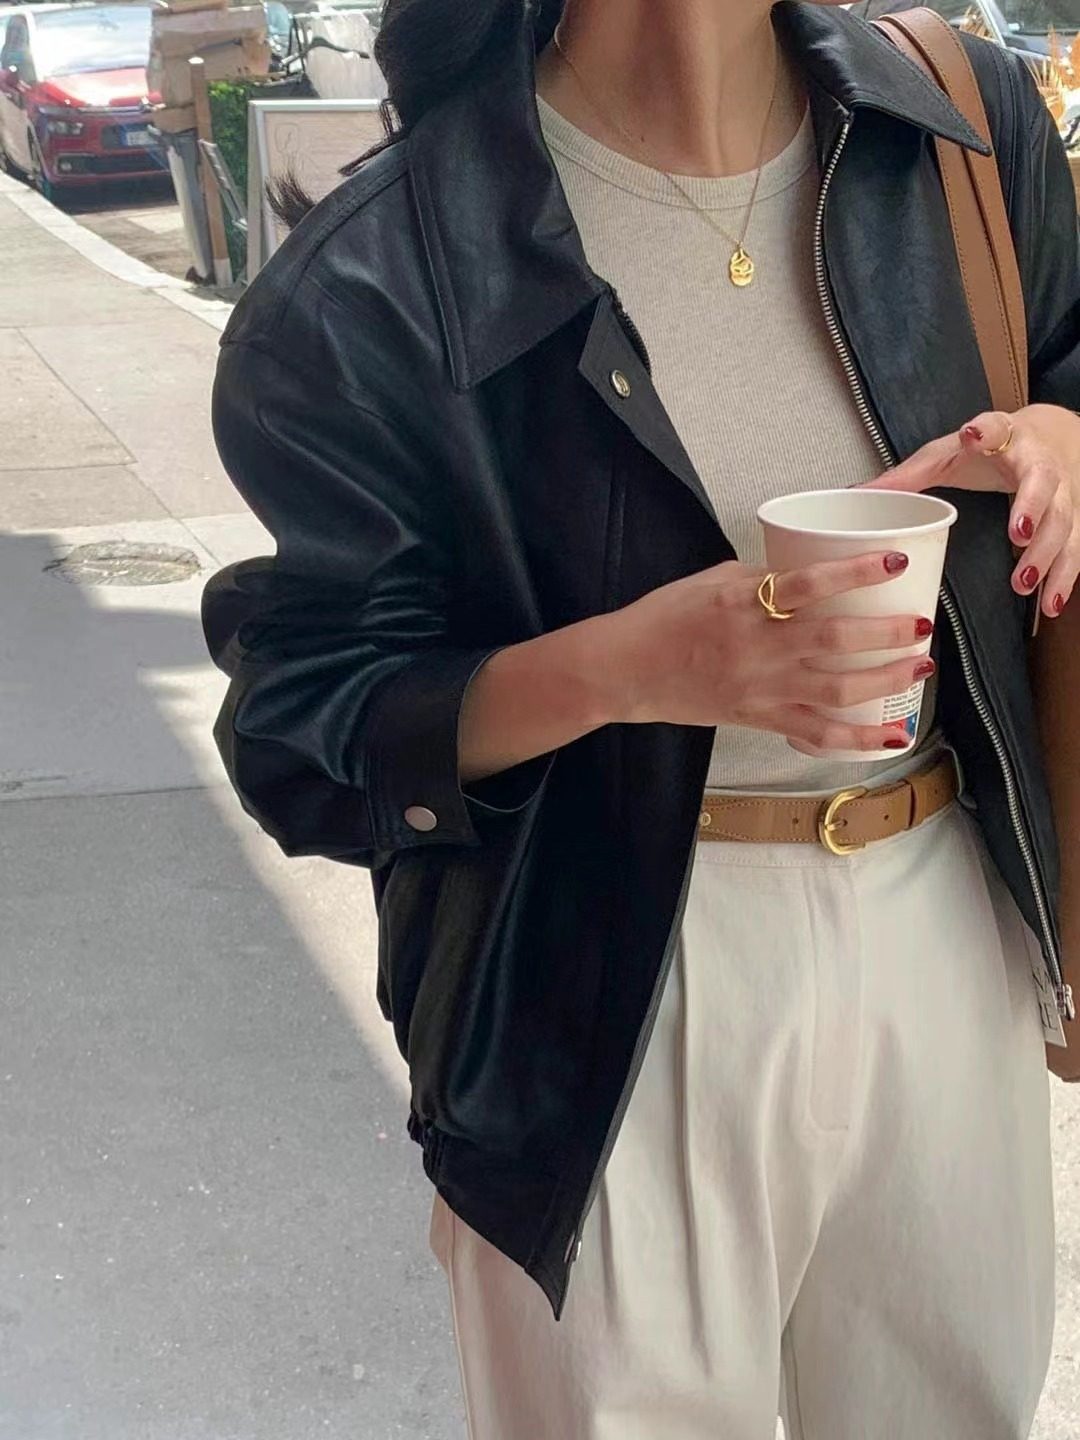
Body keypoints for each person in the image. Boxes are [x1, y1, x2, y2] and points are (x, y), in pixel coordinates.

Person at [202, 0, 1080, 1433]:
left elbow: (1065, 358)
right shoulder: (386, 268)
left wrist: (1062, 438)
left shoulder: (954, 131)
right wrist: (629, 668)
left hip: (941, 920)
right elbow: (306, 727)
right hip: (599, 985)